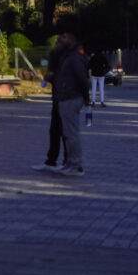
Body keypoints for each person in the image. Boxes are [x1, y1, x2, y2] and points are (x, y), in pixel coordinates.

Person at [37, 30, 89, 175]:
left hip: (71, 98)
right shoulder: (66, 56)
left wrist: (86, 97)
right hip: (64, 97)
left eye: (64, 37)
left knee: (71, 134)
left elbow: (82, 79)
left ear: (72, 39)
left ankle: (76, 165)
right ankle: (70, 163)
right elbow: (62, 78)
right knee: (67, 133)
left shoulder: (74, 57)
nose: (59, 39)